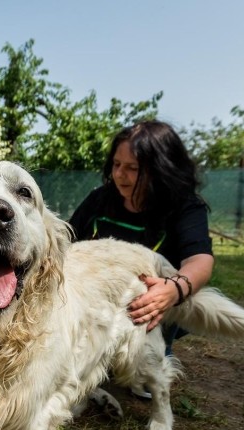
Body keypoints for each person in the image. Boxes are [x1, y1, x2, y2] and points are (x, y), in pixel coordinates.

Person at [68, 120, 213, 395]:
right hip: (99, 302)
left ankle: (155, 350)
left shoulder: (184, 206)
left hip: (151, 303)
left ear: (161, 170)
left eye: (133, 168)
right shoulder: (100, 199)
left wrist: (173, 290)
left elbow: (200, 261)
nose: (120, 175)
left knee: (142, 376)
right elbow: (68, 242)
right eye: (116, 164)